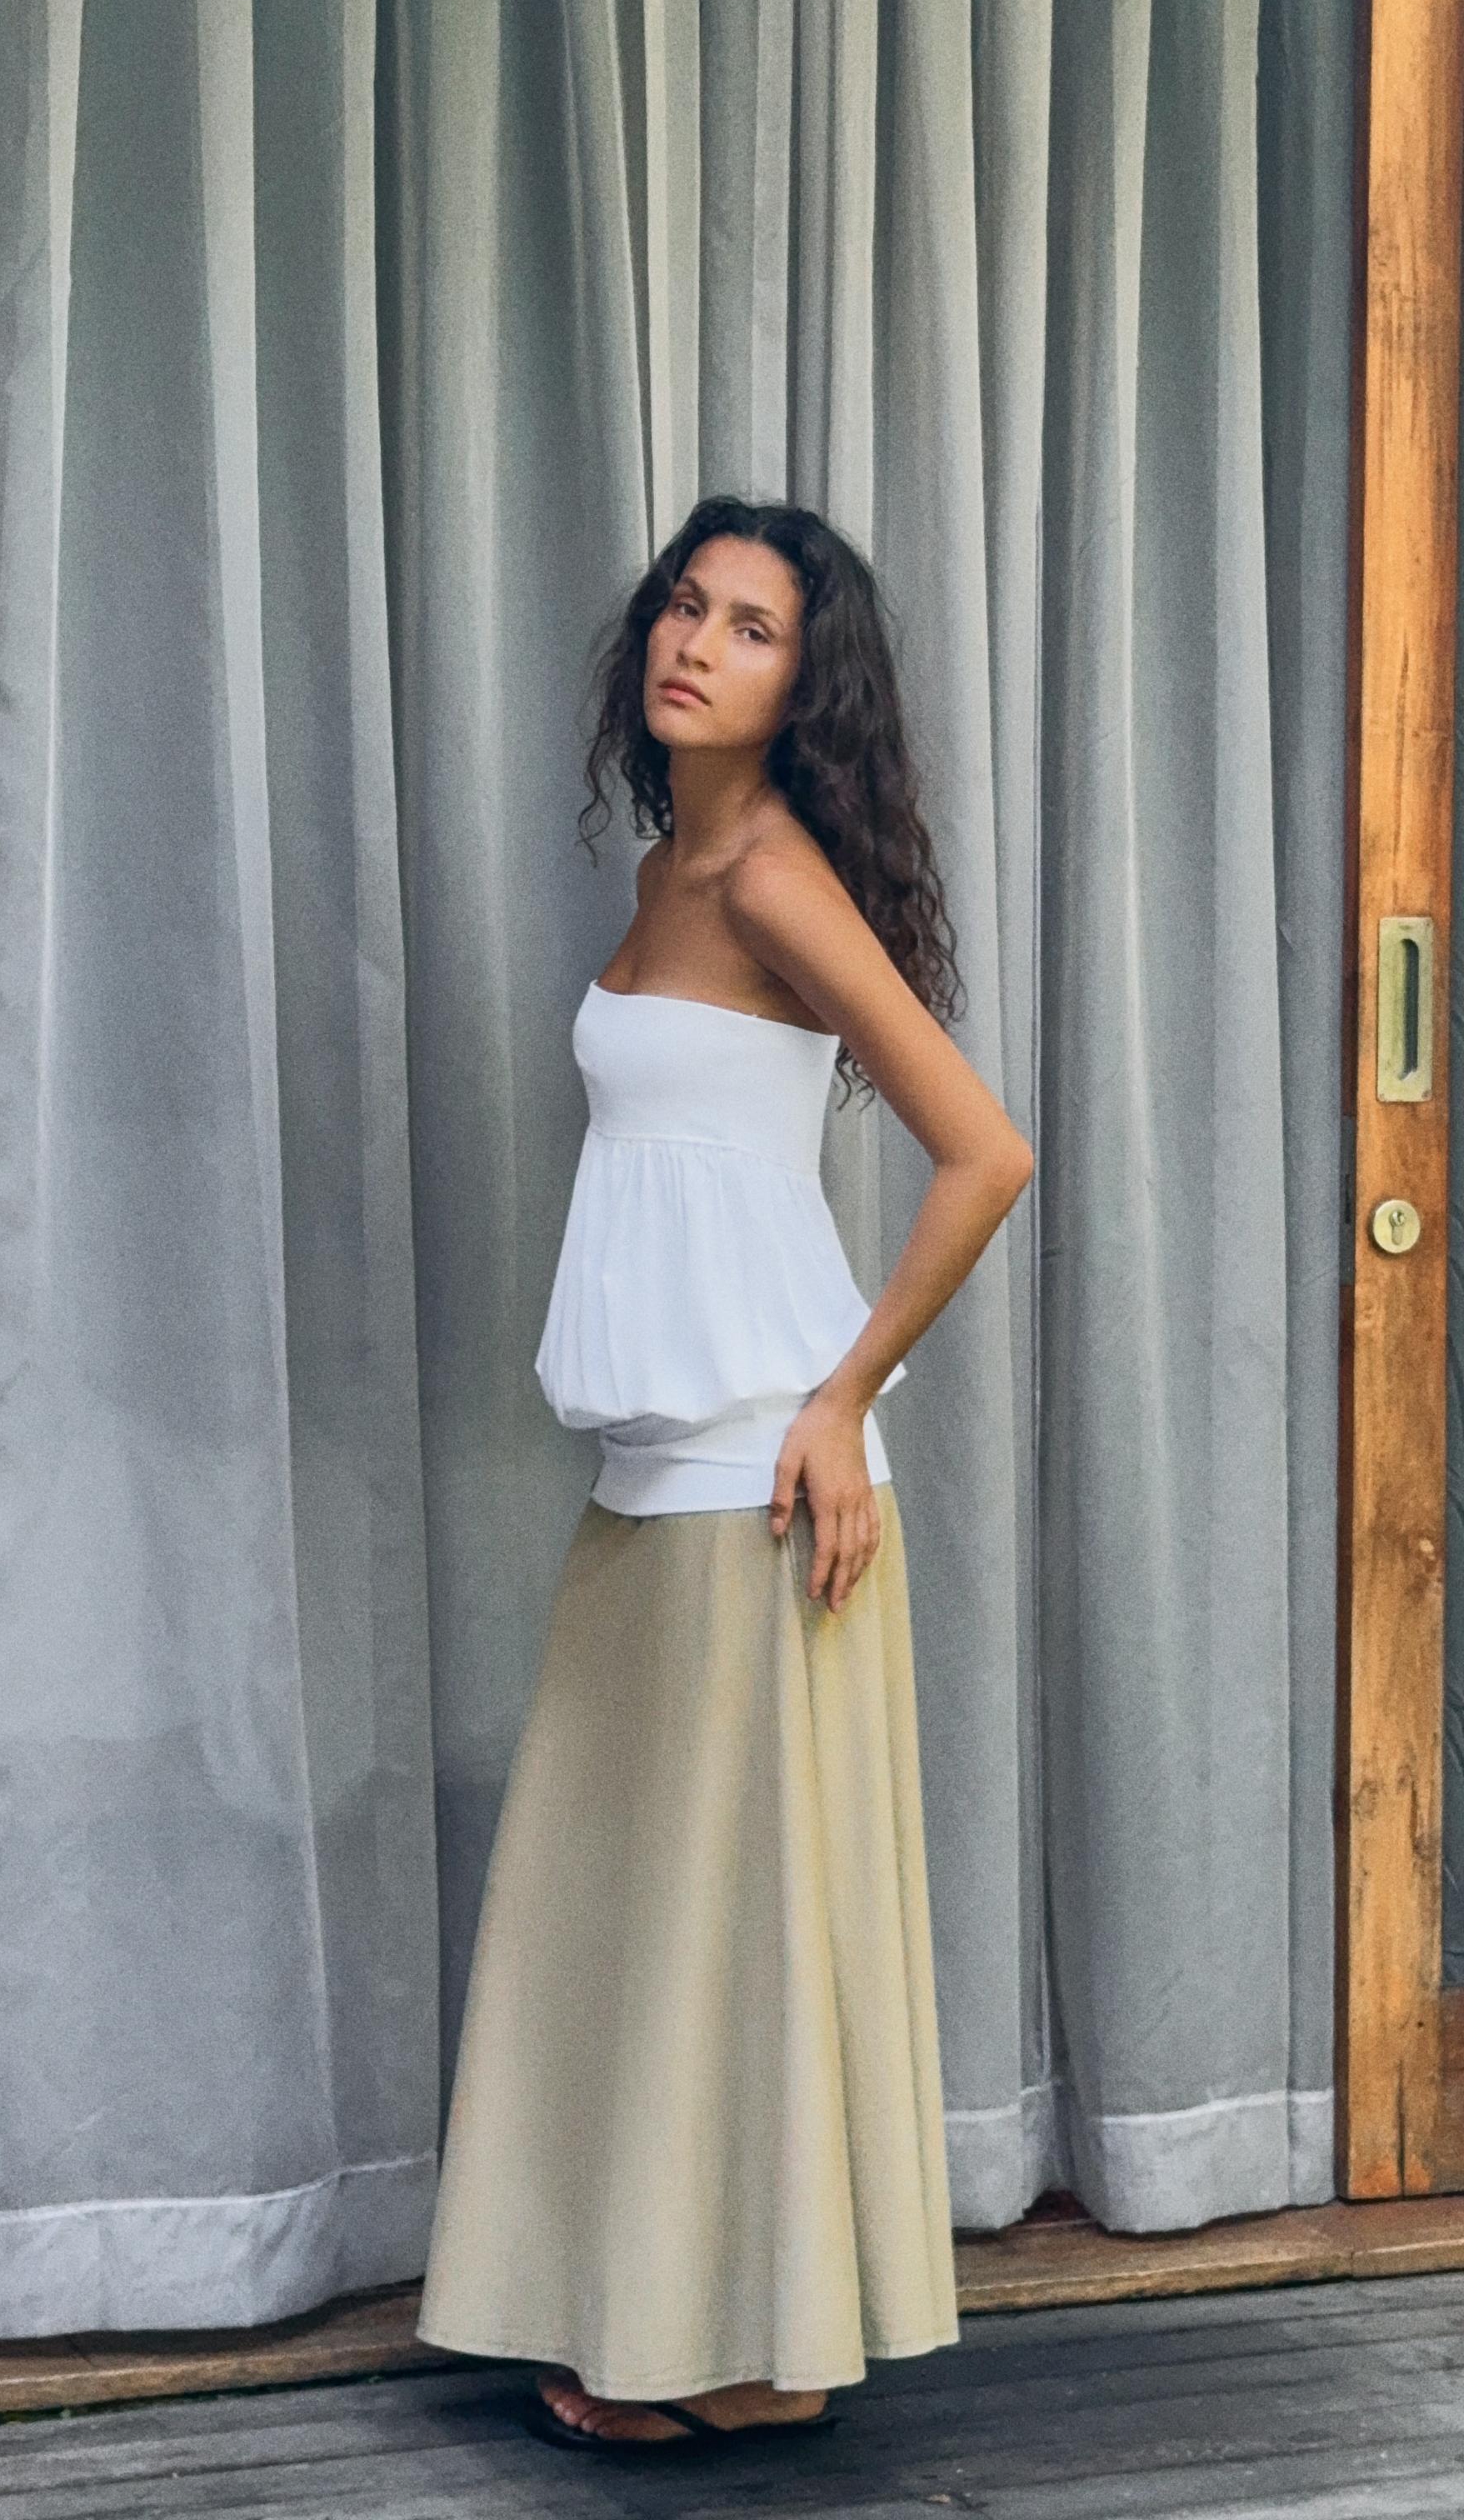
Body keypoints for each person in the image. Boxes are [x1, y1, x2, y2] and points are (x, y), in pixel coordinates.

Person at [413, 494, 1033, 2460]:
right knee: (649, 1911)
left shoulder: (765, 873)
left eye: (751, 627)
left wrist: (843, 1400)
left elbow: (985, 1151)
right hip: (658, 1472)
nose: (696, 642)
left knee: (729, 1922)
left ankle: (758, 2361)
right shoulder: (672, 865)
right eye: (686, 606)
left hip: (757, 1479)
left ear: (801, 685)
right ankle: (694, 2321)